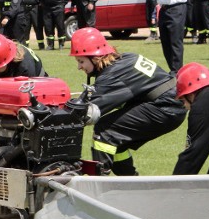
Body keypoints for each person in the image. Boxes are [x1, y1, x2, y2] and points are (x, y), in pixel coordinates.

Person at [69, 27, 186, 176]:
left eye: (81, 61)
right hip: (172, 103)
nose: (79, 67)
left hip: (165, 107)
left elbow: (86, 111)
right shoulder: (125, 59)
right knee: (118, 139)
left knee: (105, 131)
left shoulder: (112, 75)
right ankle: (129, 181)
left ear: (95, 57)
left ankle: (98, 183)